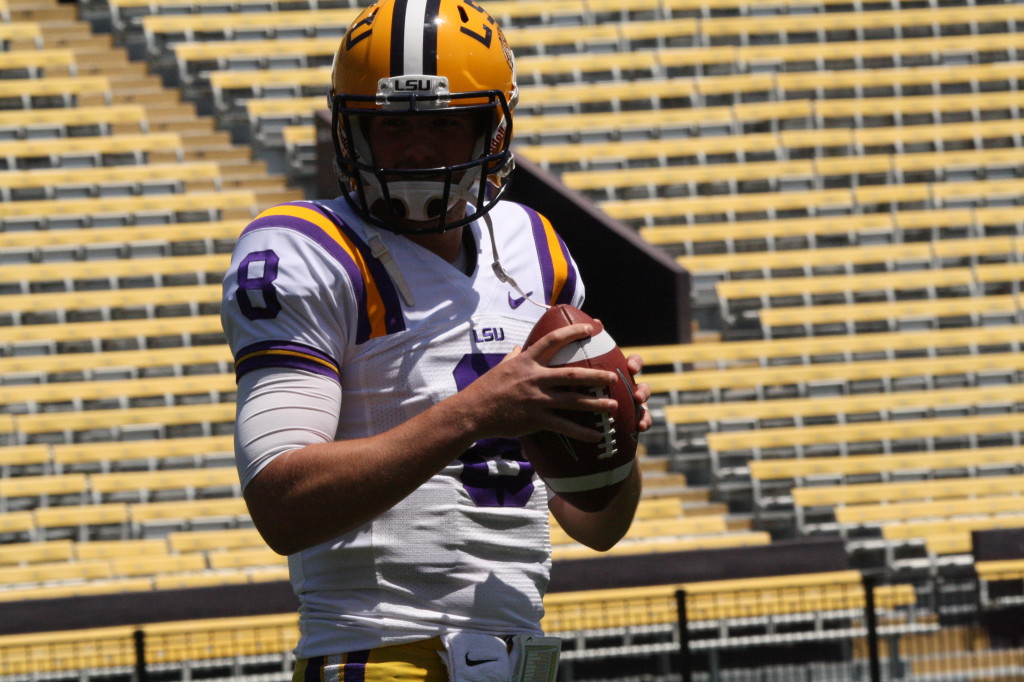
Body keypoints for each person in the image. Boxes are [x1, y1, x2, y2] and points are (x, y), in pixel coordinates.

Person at [220, 1, 653, 680]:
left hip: (522, 656)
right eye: (393, 126)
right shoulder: (307, 249)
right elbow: (282, 503)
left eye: (445, 124)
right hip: (381, 653)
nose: (417, 148)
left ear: (492, 126)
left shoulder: (534, 246)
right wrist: (481, 411)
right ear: (350, 132)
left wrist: (612, 439)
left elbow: (595, 525)